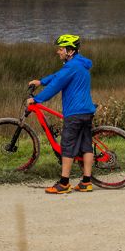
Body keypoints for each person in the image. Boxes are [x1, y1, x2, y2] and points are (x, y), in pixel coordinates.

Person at [28, 34, 96, 194]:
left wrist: (36, 100)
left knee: (67, 146)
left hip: (75, 113)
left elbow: (56, 86)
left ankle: (64, 183)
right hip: (87, 111)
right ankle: (86, 182)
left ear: (70, 51)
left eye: (61, 49)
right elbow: (58, 75)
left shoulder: (71, 67)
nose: (58, 52)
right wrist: (42, 81)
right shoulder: (79, 64)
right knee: (86, 146)